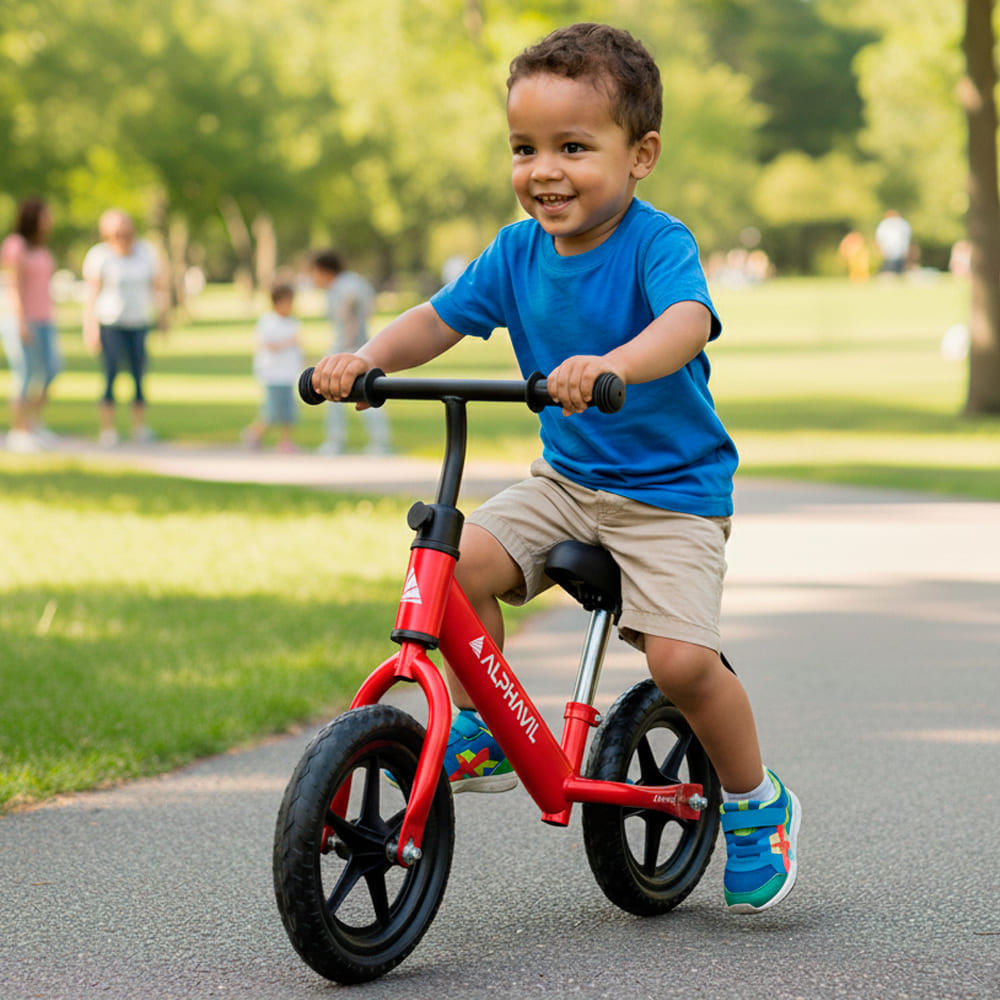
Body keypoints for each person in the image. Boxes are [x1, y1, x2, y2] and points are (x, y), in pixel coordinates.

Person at [311, 22, 800, 914]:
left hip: (670, 497)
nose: (545, 170)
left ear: (640, 154)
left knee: (684, 666)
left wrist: (613, 362)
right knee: (450, 570)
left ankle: (755, 802)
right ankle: (485, 726)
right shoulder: (514, 252)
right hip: (567, 486)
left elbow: (686, 320)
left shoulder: (657, 242)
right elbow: (438, 318)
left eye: (574, 147)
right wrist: (363, 359)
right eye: (525, 148)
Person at [82, 209, 168, 447]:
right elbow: (91, 295)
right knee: (110, 375)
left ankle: (139, 428)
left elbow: (157, 287)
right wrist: (90, 328)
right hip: (110, 323)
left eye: (126, 231)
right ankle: (108, 430)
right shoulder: (100, 256)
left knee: (139, 376)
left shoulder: (146, 252)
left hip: (139, 322)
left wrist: (163, 316)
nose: (123, 236)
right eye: (117, 232)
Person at [310, 250, 391, 456]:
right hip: (359, 346)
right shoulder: (351, 281)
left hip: (351, 348)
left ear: (323, 270)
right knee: (362, 396)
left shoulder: (342, 286)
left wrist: (347, 342)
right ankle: (376, 443)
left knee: (350, 395)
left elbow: (351, 306)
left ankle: (346, 442)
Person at [0, 197, 60, 452]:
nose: (50, 221)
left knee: (51, 369)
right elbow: (13, 287)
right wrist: (20, 321)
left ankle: (34, 423)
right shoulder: (16, 246)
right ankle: (18, 431)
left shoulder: (42, 248)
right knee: (24, 374)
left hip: (45, 318)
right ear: (33, 217)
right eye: (46, 215)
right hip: (20, 319)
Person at [242, 283, 302, 452]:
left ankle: (285, 441)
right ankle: (254, 433)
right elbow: (268, 345)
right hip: (273, 375)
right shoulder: (268, 322)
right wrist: (289, 342)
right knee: (272, 411)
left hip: (289, 374)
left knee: (289, 412)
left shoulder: (293, 322)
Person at [874, 209, 911, 275]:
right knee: (889, 268)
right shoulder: (884, 224)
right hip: (888, 251)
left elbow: (906, 238)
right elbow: (879, 238)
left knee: (899, 269)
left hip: (900, 251)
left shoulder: (902, 224)